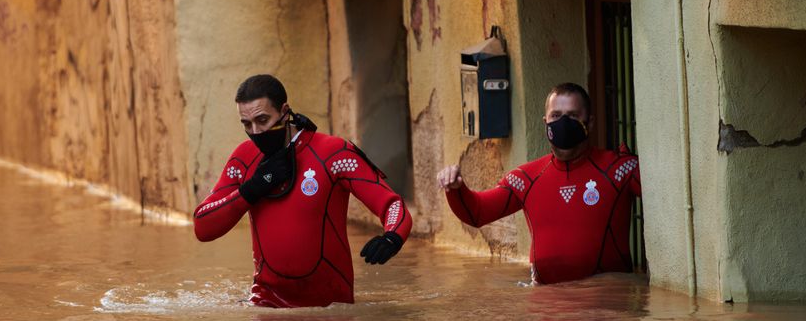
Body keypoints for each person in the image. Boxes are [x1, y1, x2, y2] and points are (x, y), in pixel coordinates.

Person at [194, 74, 412, 308]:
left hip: (330, 308)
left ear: (285, 111)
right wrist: (253, 188)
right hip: (266, 307)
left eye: (263, 120)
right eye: (247, 124)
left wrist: (392, 237)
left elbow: (392, 204)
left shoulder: (334, 153)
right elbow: (202, 226)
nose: (256, 131)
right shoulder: (243, 159)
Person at [437, 82, 641, 284]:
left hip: (607, 303)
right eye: (556, 116)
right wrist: (456, 189)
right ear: (545, 122)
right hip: (545, 304)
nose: (563, 123)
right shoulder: (526, 178)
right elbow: (477, 213)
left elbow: (668, 195)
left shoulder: (620, 169)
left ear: (590, 122)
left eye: (572, 115)